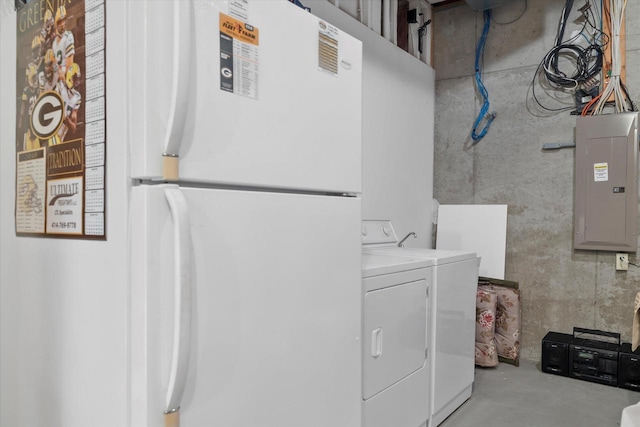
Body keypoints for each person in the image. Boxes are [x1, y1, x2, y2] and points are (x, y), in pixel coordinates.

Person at [56, 63, 82, 142]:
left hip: (60, 138)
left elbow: (73, 128)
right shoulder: (60, 87)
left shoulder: (77, 97)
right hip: (52, 130)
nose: (78, 82)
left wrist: (65, 117)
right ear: (70, 77)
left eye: (78, 78)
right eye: (76, 78)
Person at [18, 63, 40, 151]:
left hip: (35, 123)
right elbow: (23, 111)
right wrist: (20, 125)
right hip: (29, 124)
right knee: (29, 149)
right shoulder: (26, 91)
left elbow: (22, 112)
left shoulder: (37, 90)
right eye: (33, 77)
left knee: (36, 149)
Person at [51, 6, 74, 80]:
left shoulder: (68, 36)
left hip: (66, 77)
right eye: (59, 22)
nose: (62, 24)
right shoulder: (54, 43)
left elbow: (70, 63)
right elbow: (54, 63)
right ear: (56, 24)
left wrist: (66, 78)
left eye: (64, 20)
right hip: (58, 78)